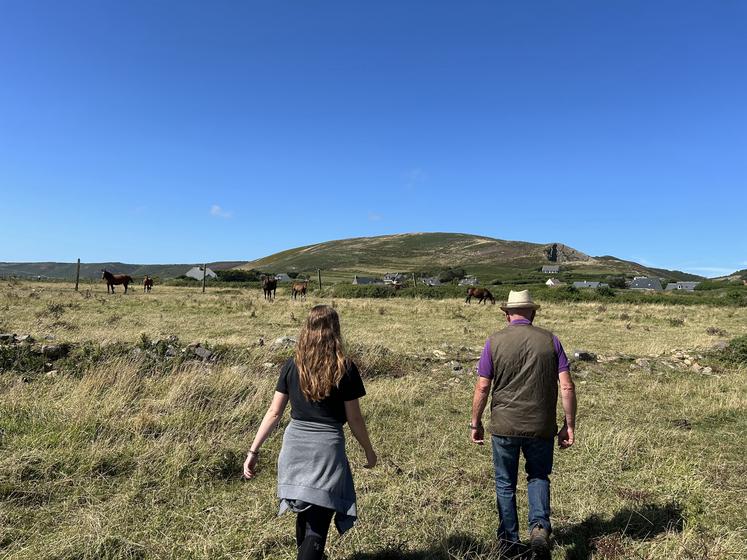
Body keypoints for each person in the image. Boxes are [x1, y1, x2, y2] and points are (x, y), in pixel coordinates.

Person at [243, 304, 377, 560]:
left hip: (294, 447)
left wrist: (253, 450)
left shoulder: (292, 365)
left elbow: (273, 413)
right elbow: (355, 418)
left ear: (307, 329)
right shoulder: (345, 368)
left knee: (305, 512)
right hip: (327, 448)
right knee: (318, 522)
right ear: (335, 331)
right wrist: (369, 451)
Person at [469, 290, 577, 558]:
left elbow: (483, 387)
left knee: (505, 483)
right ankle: (539, 528)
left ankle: (509, 540)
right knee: (538, 476)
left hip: (504, 425)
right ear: (534, 312)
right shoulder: (551, 340)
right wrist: (569, 424)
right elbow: (567, 386)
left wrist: (475, 422)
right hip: (541, 426)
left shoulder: (493, 342)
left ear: (507, 314)